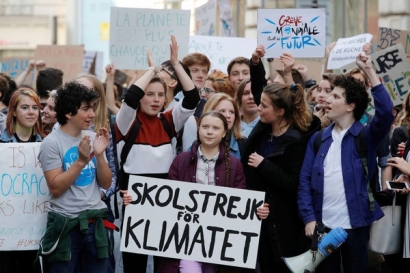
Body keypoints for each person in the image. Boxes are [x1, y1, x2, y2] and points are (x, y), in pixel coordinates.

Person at [123, 110, 269, 273]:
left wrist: (256, 211)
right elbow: (166, 202)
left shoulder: (234, 165)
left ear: (224, 133)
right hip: (186, 241)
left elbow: (240, 201)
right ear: (198, 130)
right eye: (205, 126)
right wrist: (137, 202)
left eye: (215, 128)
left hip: (219, 242)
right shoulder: (180, 160)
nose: (209, 131)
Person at [298, 53, 394, 273]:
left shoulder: (366, 137)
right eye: (329, 94)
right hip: (323, 229)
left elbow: (387, 112)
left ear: (351, 106)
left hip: (356, 228)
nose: (328, 99)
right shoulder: (318, 138)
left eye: (336, 96)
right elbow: (304, 181)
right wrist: (309, 218)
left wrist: (369, 69)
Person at [115, 35, 200, 273]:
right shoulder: (126, 122)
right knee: (136, 265)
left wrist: (176, 64)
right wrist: (152, 70)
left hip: (166, 198)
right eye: (150, 94)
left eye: (160, 95)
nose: (155, 100)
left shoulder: (168, 120)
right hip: (135, 198)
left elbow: (193, 98)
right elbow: (130, 97)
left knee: (167, 265)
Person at [241, 79, 321, 272]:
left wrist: (264, 165)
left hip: (286, 224)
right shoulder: (262, 131)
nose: (259, 108)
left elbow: (294, 182)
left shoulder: (297, 141)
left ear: (280, 112)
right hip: (261, 218)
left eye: (264, 105)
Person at [37, 81, 113, 273]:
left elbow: (106, 183)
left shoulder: (92, 136)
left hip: (95, 224)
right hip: (66, 228)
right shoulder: (51, 144)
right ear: (69, 113)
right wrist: (81, 161)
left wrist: (100, 154)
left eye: (92, 108)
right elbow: (55, 187)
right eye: (86, 109)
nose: (92, 115)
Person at [0, 88, 44, 273]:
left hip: (34, 228)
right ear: (14, 112)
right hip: (5, 229)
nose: (31, 112)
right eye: (25, 107)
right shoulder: (1, 145)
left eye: (35, 107)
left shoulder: (47, 145)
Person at [202, 93, 244, 160]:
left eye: (231, 112)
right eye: (222, 111)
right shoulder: (197, 145)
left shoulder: (243, 144)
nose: (228, 115)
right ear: (209, 113)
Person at [182, 52, 211, 118]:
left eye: (204, 72)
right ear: (184, 73)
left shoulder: (208, 107)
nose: (201, 75)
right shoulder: (172, 101)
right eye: (195, 71)